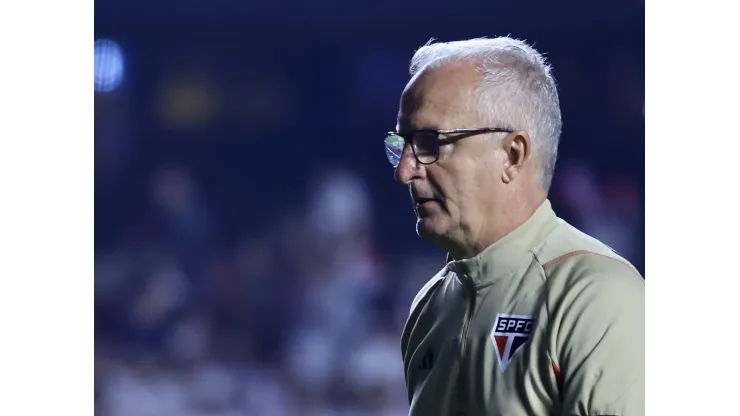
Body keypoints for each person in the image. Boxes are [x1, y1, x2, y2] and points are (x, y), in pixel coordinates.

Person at [384, 37, 644, 416]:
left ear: (511, 154)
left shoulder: (596, 296)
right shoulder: (429, 306)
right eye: (401, 145)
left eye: (429, 142)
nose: (404, 170)